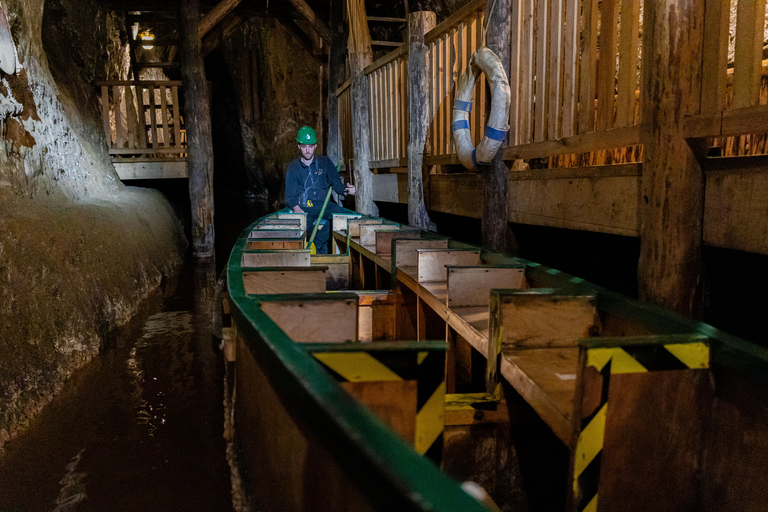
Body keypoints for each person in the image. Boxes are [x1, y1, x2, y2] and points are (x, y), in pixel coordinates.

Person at [285, 126, 355, 254]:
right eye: (304, 146)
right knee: (303, 226)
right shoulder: (293, 168)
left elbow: (336, 184)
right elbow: (290, 195)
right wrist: (296, 208)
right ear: (299, 146)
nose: (307, 150)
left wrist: (346, 191)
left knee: (347, 218)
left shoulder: (325, 162)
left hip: (325, 206)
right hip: (305, 208)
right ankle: (319, 247)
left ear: (315, 146)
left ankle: (317, 246)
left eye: (310, 146)